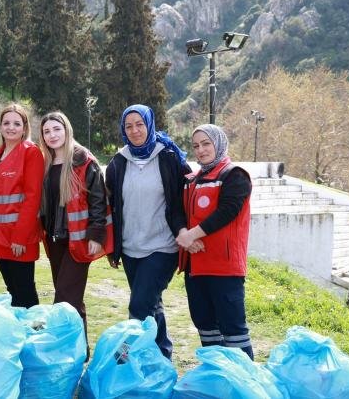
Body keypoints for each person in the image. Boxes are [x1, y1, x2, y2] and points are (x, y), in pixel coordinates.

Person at [105, 104, 191, 360]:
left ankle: (124, 356)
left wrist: (186, 233)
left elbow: (181, 198)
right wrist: (114, 247)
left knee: (139, 305)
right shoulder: (118, 163)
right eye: (128, 126)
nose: (135, 131)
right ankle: (162, 355)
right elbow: (113, 208)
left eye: (140, 124)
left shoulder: (168, 157)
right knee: (152, 304)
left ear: (150, 124)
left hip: (162, 246)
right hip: (131, 248)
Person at [176, 124, 254, 360]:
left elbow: (228, 211)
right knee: (205, 325)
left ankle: (245, 384)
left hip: (224, 267)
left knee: (233, 329)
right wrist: (185, 236)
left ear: (219, 143)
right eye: (196, 146)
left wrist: (193, 234)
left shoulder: (234, 175)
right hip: (196, 267)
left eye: (206, 143)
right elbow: (179, 212)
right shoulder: (190, 180)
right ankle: (217, 379)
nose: (201, 150)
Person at [39, 111, 113, 335]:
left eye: (56, 129)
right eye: (46, 131)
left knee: (65, 298)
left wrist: (96, 235)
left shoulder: (84, 160)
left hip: (78, 240)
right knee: (72, 299)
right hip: (54, 240)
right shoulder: (46, 162)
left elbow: (98, 199)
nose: (52, 135)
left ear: (67, 130)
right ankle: (79, 352)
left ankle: (64, 348)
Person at [0, 104, 44, 308]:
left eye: (17, 123)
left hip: (18, 237)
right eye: (6, 123)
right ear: (0, 127)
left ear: (24, 128)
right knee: (12, 290)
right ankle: (20, 334)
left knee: (24, 290)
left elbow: (33, 197)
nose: (11, 127)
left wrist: (20, 237)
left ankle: (33, 333)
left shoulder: (31, 153)